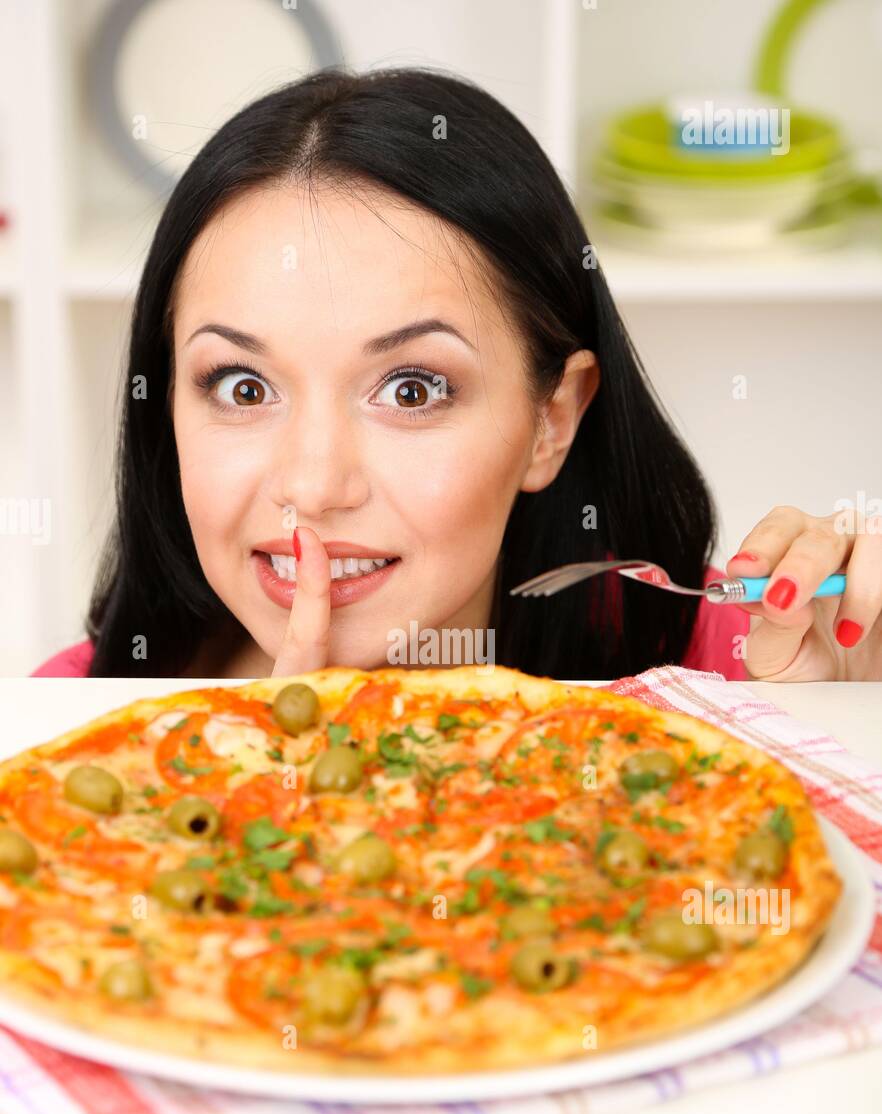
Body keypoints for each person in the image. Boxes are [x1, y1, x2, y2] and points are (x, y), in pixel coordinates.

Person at [32, 69, 879, 682]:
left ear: (552, 420)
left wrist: (850, 716)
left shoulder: (745, 671)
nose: (314, 485)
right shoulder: (67, 726)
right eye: (243, 388)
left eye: (411, 389)